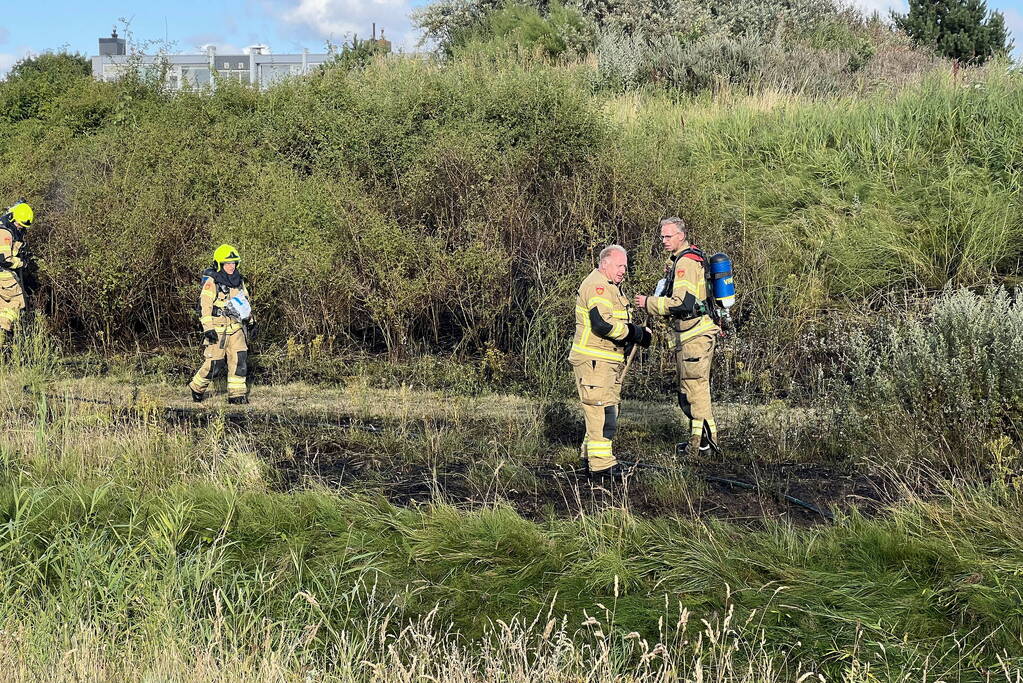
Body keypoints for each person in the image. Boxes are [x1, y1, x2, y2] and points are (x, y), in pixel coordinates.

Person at [635, 217, 720, 456]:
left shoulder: (685, 264)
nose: (663, 240)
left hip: (694, 337)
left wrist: (648, 303)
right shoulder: (685, 259)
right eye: (662, 236)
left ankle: (700, 445)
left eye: (668, 236)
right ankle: (706, 442)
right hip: (693, 336)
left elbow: (682, 303)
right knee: (695, 388)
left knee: (693, 390)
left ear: (681, 236)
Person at [569, 245, 651, 478]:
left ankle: (591, 458)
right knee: (601, 412)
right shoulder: (598, 286)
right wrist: (636, 333)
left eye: (625, 265)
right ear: (604, 263)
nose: (624, 270)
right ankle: (602, 465)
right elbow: (602, 325)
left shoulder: (611, 287)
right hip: (595, 361)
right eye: (619, 265)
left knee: (606, 411)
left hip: (606, 363)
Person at [188, 244, 255, 405]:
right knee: (214, 365)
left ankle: (237, 395)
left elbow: (244, 303)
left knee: (239, 359)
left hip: (236, 328)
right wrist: (208, 329)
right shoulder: (212, 282)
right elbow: (205, 307)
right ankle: (196, 387)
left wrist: (251, 321)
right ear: (220, 264)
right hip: (217, 330)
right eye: (227, 263)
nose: (231, 267)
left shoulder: (239, 281)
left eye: (233, 263)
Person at [0, 201, 33, 341]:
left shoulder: (6, 226)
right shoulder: (5, 233)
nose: (20, 228)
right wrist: (22, 263)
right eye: (19, 224)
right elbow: (4, 259)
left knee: (4, 308)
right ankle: (3, 332)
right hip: (4, 276)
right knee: (17, 302)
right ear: (13, 218)